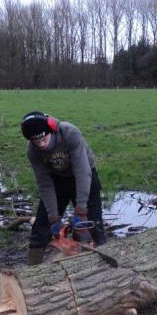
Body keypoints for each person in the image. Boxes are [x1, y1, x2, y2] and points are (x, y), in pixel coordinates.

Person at [20, 111, 107, 265]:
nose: (41, 144)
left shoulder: (70, 133)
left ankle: (102, 265)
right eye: (36, 141)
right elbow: (44, 183)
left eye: (43, 139)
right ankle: (32, 271)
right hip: (57, 180)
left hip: (84, 177)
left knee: (94, 225)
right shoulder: (32, 151)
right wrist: (53, 217)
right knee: (41, 228)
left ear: (51, 129)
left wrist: (81, 211)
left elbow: (83, 172)